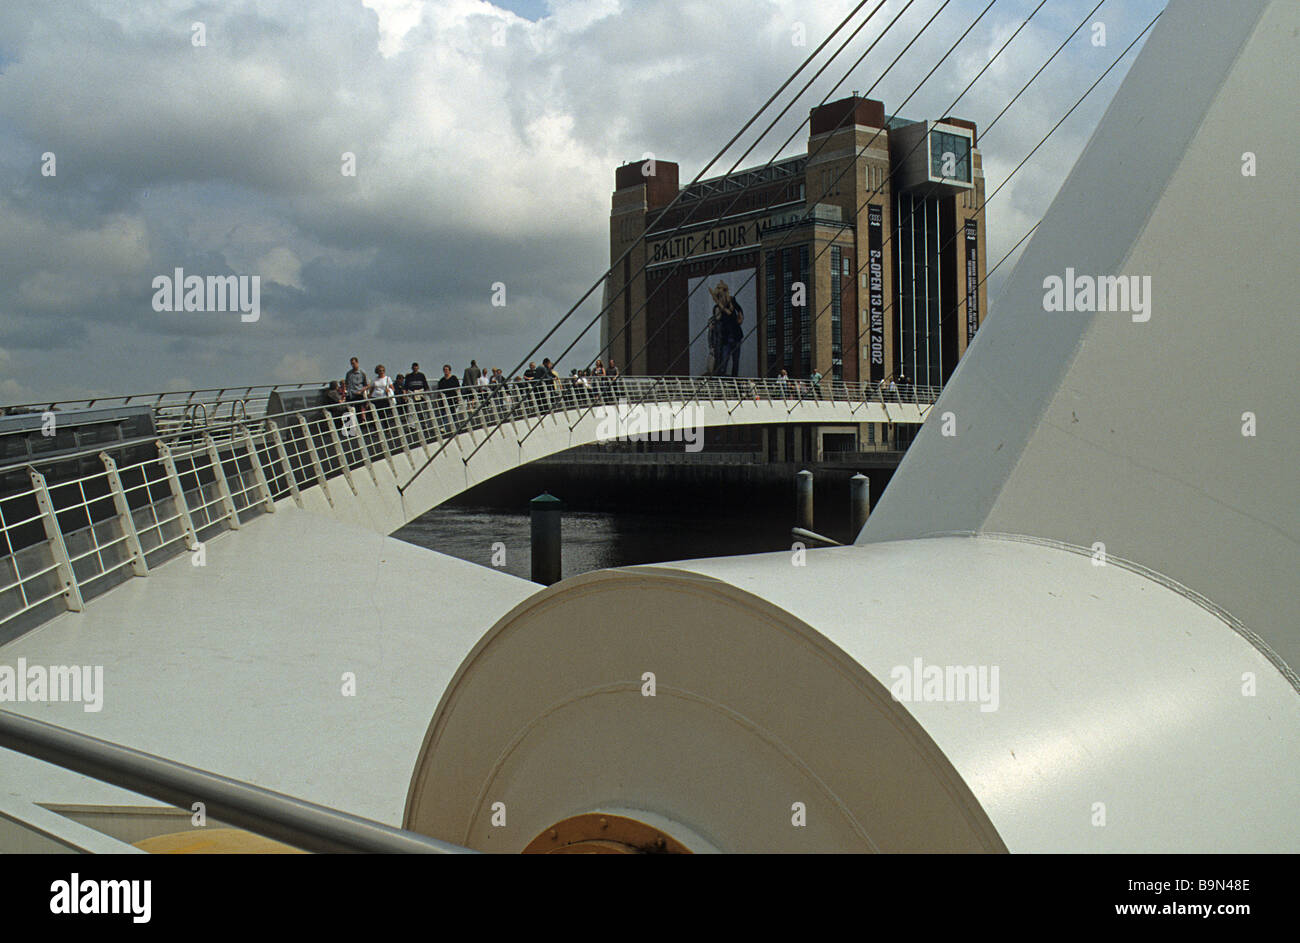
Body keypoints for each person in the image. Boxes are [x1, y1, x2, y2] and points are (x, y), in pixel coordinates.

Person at [436, 363, 459, 430]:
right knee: (444, 412)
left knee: (452, 412)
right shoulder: (442, 380)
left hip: (452, 398)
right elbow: (439, 390)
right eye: (444, 370)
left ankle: (453, 426)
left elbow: (457, 388)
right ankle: (444, 426)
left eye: (447, 370)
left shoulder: (453, 378)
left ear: (449, 370)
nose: (445, 371)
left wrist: (458, 397)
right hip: (444, 399)